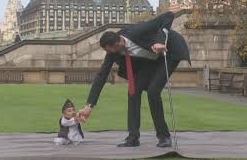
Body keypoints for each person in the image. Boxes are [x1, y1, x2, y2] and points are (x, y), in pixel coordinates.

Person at [77, 11, 190, 148]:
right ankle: (133, 137)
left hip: (170, 51)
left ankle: (164, 137)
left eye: (113, 50)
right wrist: (89, 106)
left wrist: (160, 42)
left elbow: (168, 16)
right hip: (151, 61)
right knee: (133, 91)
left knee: (153, 92)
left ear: (118, 42)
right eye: (109, 52)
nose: (112, 54)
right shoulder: (113, 51)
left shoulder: (137, 31)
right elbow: (101, 75)